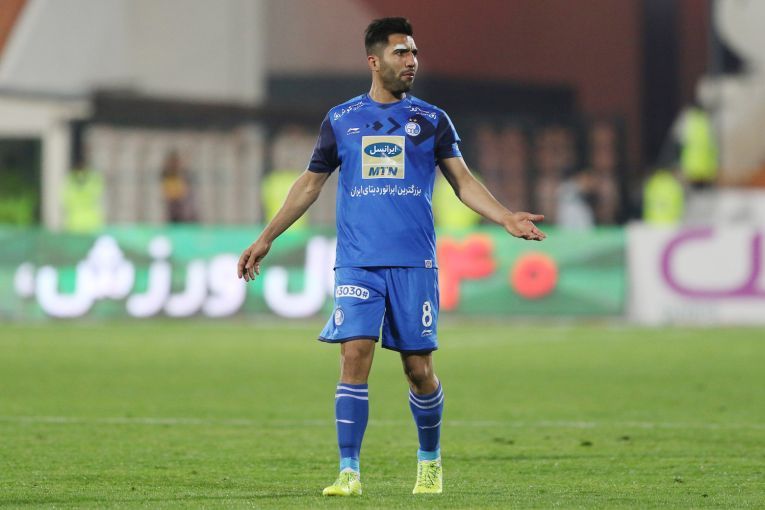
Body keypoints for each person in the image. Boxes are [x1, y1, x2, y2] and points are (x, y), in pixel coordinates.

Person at [237, 17, 546, 497]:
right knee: (353, 355)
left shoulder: (432, 120)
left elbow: (463, 181)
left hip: (413, 263)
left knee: (418, 370)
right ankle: (348, 472)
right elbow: (310, 184)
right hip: (358, 260)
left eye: (414, 53)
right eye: (402, 53)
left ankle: (429, 462)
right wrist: (267, 237)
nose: (412, 61)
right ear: (374, 60)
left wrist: (505, 216)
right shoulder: (341, 119)